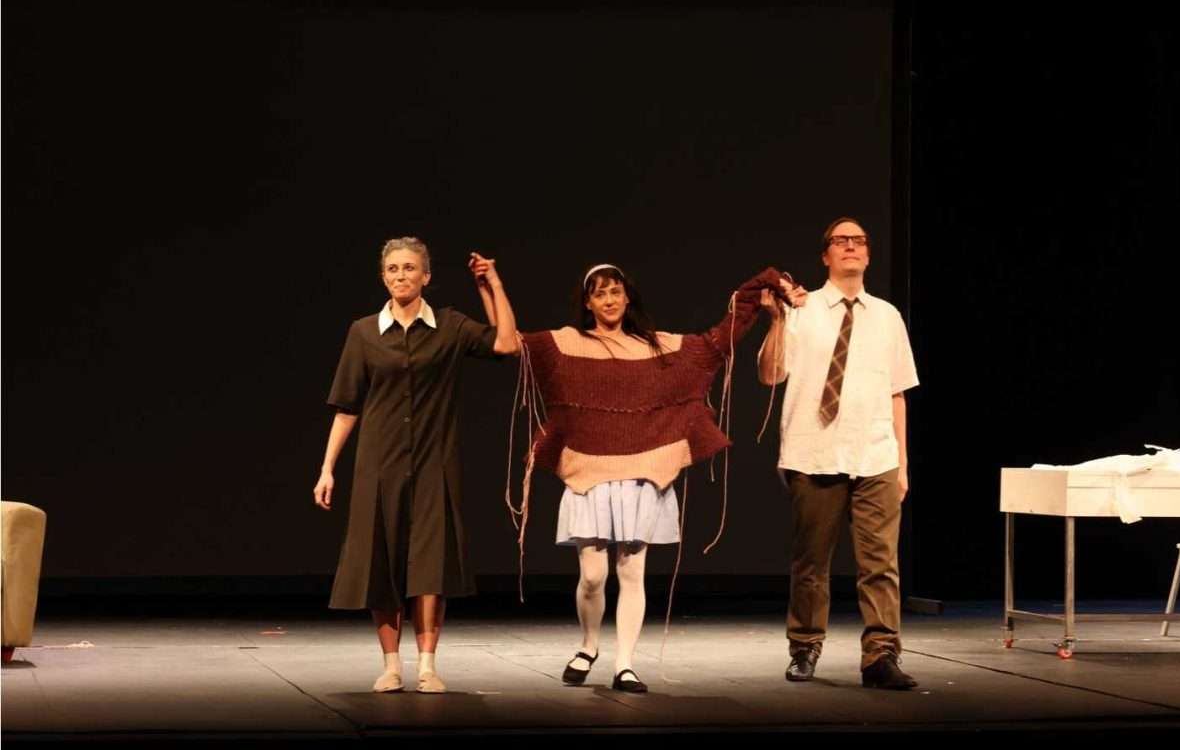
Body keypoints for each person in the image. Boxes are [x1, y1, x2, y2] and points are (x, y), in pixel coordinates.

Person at [500, 261, 799, 694]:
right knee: (592, 577)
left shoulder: (658, 347)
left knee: (632, 572)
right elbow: (509, 343)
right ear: (588, 302)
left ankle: (624, 663)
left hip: (642, 475)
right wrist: (492, 283)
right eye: (599, 293)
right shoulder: (565, 343)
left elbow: (717, 342)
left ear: (627, 298)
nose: (609, 300)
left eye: (615, 291)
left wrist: (760, 288)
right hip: (589, 473)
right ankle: (588, 645)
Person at [313, 238, 517, 694]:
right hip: (378, 464)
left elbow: (506, 343)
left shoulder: (449, 326)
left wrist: (492, 285)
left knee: (431, 564)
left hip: (432, 462)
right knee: (381, 562)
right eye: (392, 269)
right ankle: (391, 665)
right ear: (383, 277)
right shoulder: (364, 332)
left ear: (426, 276)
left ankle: (427, 665)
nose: (400, 275)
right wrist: (327, 468)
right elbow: (347, 406)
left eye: (409, 268)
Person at [757, 217, 919, 689]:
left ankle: (881, 656)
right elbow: (770, 374)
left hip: (876, 454)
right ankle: (805, 646)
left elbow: (897, 393)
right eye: (840, 240)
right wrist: (777, 320)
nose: (851, 246)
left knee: (881, 564)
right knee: (811, 561)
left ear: (868, 254)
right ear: (825, 255)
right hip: (814, 451)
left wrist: (902, 463)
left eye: (859, 240)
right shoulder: (801, 310)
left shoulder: (887, 316)